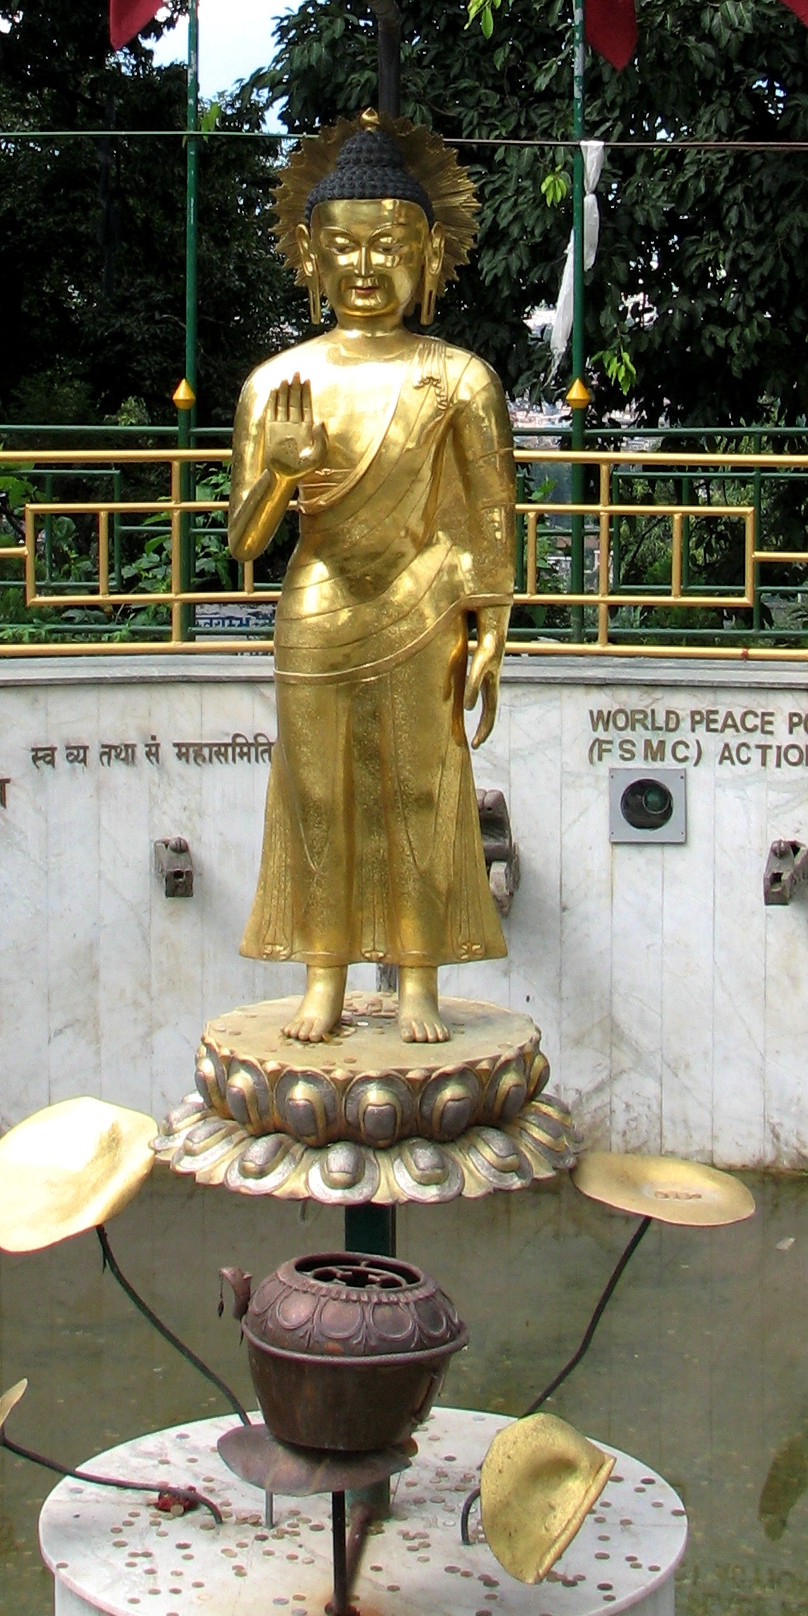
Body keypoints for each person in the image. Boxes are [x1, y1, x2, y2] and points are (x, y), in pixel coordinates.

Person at [227, 113, 515, 1044]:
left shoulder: (459, 378)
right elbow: (244, 543)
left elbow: (488, 513)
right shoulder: (278, 382)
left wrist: (492, 624)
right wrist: (280, 474)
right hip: (318, 604)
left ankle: (418, 980)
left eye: (388, 246)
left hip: (424, 600)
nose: (364, 266)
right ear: (310, 255)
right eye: (344, 246)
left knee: (421, 793)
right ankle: (325, 977)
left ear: (429, 256)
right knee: (319, 796)